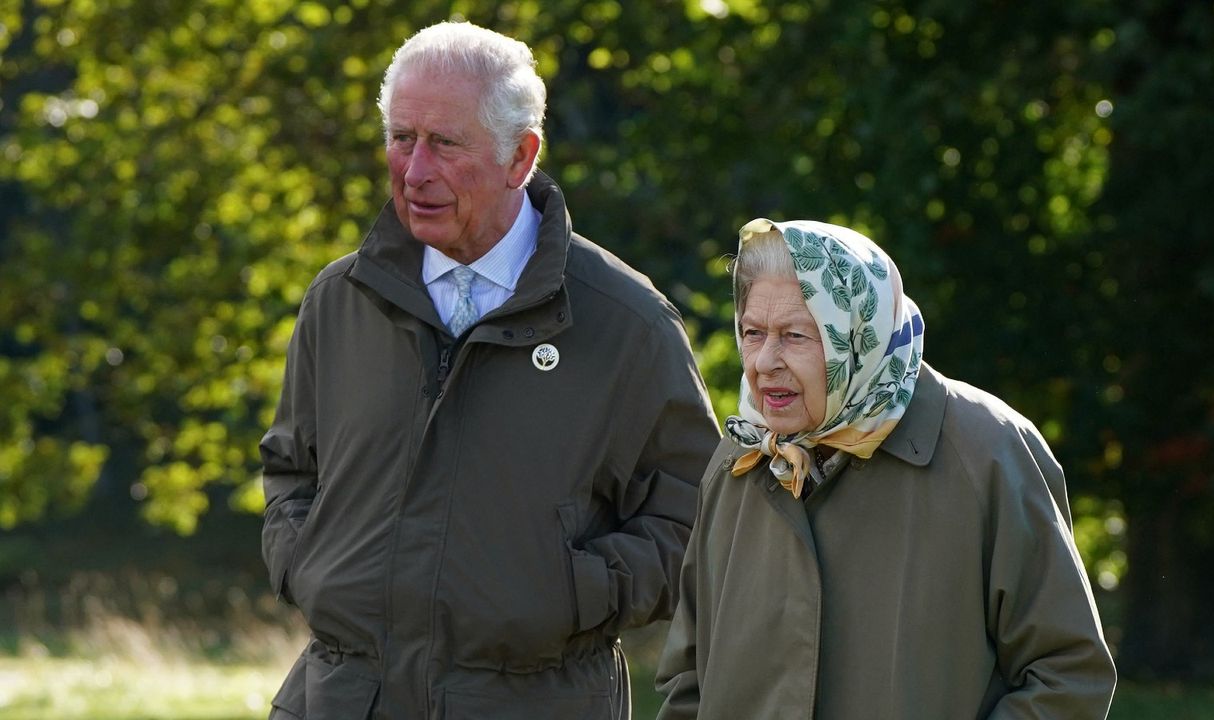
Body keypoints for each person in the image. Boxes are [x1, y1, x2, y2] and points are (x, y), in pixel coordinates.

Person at [259, 21, 719, 720]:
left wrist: (568, 592)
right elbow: (292, 471)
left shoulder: (627, 323)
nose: (414, 171)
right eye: (401, 137)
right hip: (342, 699)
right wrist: (309, 565)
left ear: (520, 156)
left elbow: (695, 518)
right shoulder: (339, 300)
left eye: (444, 143)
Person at [655, 218, 1117, 719]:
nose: (765, 360)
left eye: (794, 335)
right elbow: (690, 682)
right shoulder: (738, 459)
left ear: (858, 335)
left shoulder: (989, 452)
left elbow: (1068, 676)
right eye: (752, 332)